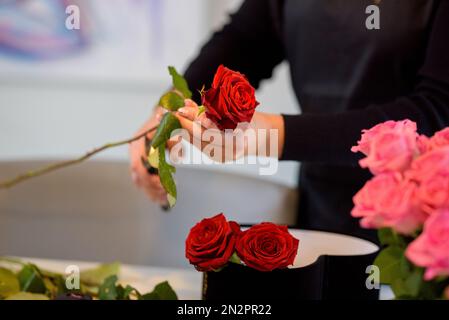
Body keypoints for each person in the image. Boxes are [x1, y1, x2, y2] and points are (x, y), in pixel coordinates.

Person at [130, 0, 449, 242]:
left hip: (428, 220)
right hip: (323, 204)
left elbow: (437, 111)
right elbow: (246, 40)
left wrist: (266, 135)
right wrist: (167, 112)